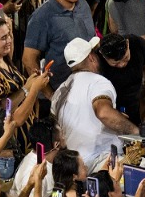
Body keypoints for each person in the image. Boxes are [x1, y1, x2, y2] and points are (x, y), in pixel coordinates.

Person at [50, 36, 138, 171]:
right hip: (102, 161)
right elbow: (103, 113)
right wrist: (135, 132)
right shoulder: (98, 82)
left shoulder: (59, 92)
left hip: (75, 167)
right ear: (91, 57)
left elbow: (58, 133)